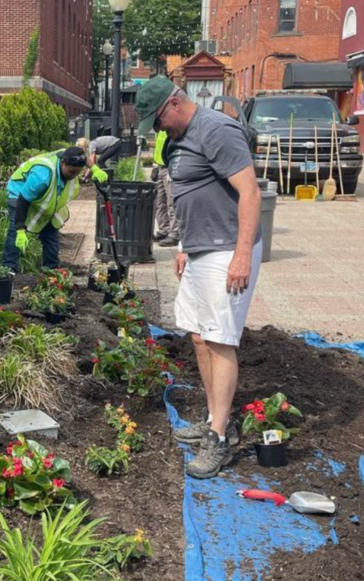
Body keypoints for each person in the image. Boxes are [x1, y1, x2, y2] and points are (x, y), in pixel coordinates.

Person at [134, 75, 263, 479]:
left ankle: (220, 439)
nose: (157, 130)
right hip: (200, 249)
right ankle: (213, 418)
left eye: (157, 120)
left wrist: (242, 255)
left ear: (174, 103)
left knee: (220, 339)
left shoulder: (216, 129)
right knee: (198, 335)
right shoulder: (177, 140)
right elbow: (191, 195)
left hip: (228, 249)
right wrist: (185, 246)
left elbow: (250, 192)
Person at [3, 146, 92, 272]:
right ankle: (8, 270)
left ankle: (51, 270)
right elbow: (22, 201)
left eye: (77, 173)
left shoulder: (72, 157)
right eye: (71, 172)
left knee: (51, 230)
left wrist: (95, 169)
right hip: (19, 193)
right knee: (15, 233)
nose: (73, 176)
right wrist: (21, 230)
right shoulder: (42, 176)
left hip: (42, 198)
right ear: (62, 162)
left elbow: (85, 156)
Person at [151, 130, 180, 247]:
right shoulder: (160, 131)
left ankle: (175, 234)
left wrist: (172, 169)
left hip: (168, 168)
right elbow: (159, 148)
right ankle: (164, 230)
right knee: (159, 202)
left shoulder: (172, 130)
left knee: (171, 202)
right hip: (159, 167)